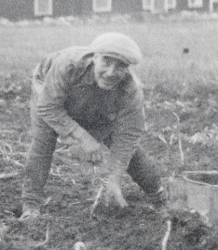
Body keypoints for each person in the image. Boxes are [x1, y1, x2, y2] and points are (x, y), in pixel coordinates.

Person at [20, 32, 166, 220]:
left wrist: (114, 178)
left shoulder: (129, 91)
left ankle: (159, 198)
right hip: (49, 89)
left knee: (123, 143)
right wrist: (83, 137)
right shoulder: (68, 66)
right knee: (44, 140)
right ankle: (30, 205)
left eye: (120, 66)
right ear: (95, 57)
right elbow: (48, 107)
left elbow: (128, 136)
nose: (111, 72)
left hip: (97, 95)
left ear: (128, 69)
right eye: (106, 61)